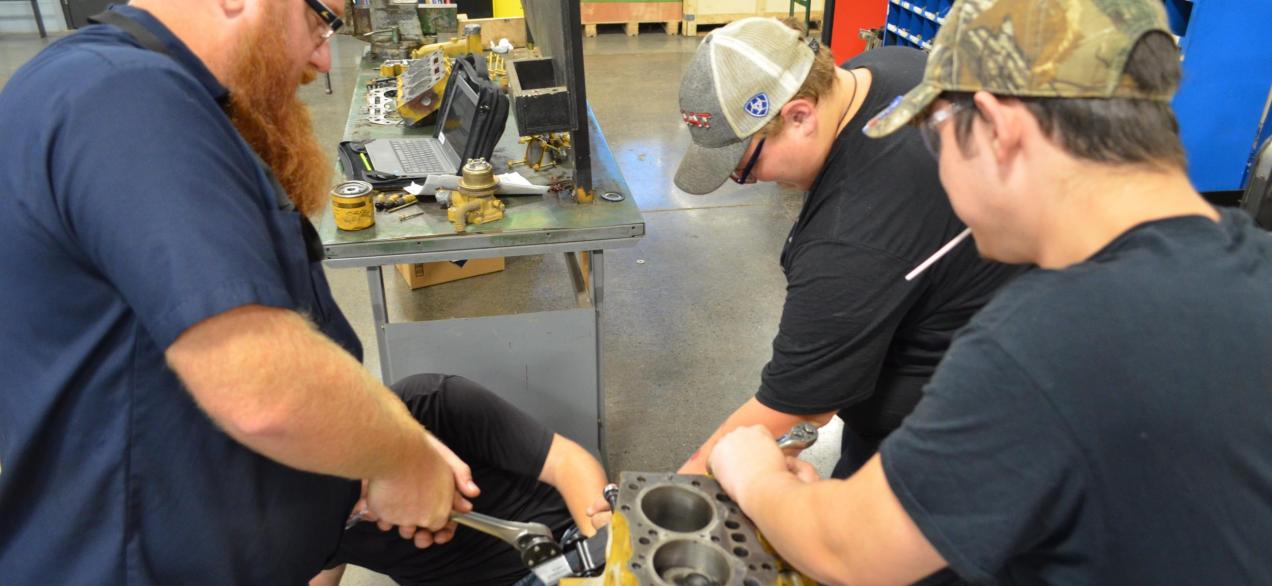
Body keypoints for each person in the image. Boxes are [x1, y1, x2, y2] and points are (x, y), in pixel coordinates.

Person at [707, 0, 1272, 584]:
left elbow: (849, 551)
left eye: (935, 140)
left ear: (1001, 130)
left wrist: (755, 476)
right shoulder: (1256, 271)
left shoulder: (1043, 342)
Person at [0, 1, 470, 582]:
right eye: (320, 17)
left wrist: (353, 463)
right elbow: (263, 392)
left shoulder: (121, 90)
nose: (324, 57)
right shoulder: (127, 102)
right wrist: (404, 458)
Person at [669, 17, 1020, 479]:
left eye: (744, 164)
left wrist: (667, 497)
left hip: (947, 451)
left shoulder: (853, 236)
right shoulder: (883, 67)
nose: (745, 181)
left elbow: (795, 406)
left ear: (800, 115)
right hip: (979, 346)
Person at [312, 374, 608, 586]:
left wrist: (602, 555)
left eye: (364, 486)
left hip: (555, 558)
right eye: (351, 517)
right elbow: (321, 569)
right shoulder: (299, 520)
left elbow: (567, 462)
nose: (374, 514)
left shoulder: (433, 401)